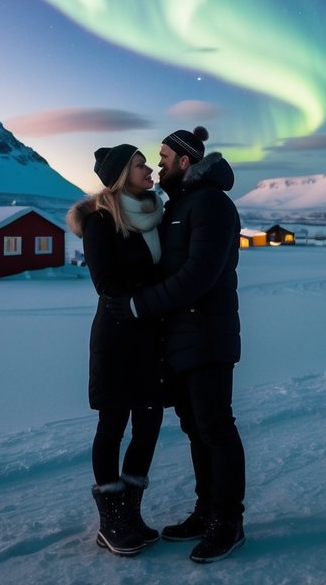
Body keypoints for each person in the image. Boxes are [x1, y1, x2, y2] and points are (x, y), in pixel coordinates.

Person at [106, 125, 246, 564]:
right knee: (196, 430)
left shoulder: (211, 205)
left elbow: (197, 277)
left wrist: (139, 306)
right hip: (181, 340)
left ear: (184, 161)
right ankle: (206, 512)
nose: (157, 162)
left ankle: (228, 522)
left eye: (163, 155)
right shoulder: (180, 206)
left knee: (216, 429)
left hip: (207, 336)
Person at [67, 143, 165, 556]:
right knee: (113, 424)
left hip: (153, 336)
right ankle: (111, 522)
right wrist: (156, 297)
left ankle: (131, 513)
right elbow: (105, 282)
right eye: (141, 165)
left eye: (148, 164)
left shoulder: (154, 216)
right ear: (121, 174)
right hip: (118, 335)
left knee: (150, 422)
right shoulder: (99, 221)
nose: (150, 172)